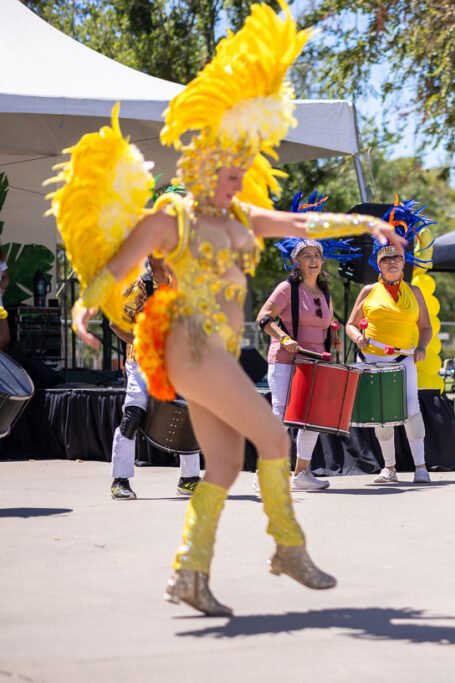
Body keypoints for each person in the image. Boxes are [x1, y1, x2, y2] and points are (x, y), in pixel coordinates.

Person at [54, 2, 401, 617]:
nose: (237, 172)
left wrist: (368, 221)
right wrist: (84, 304)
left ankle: (189, 573)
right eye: (227, 162)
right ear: (201, 161)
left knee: (220, 464)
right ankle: (287, 546)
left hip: (215, 350)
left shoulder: (240, 217)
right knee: (269, 435)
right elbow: (117, 263)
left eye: (242, 163)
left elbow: (300, 220)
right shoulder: (176, 216)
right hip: (185, 343)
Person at [256, 191, 355, 492]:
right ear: (295, 262)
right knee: (281, 415)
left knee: (311, 418)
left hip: (315, 362)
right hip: (286, 362)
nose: (312, 260)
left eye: (316, 256)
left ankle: (301, 474)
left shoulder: (324, 291)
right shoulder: (286, 288)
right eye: (306, 256)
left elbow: (324, 322)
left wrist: (333, 334)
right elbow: (264, 318)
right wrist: (284, 338)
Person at [345, 198, 434, 485]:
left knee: (411, 410)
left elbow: (426, 327)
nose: (392, 262)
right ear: (378, 265)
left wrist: (421, 348)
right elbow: (349, 323)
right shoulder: (369, 290)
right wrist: (358, 336)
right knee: (382, 415)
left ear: (403, 261)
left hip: (404, 359)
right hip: (372, 359)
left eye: (396, 257)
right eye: (386, 259)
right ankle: (389, 467)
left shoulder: (415, 292)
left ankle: (421, 466)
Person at [109, 257, 202, 500]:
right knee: (133, 415)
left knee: (188, 414)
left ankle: (189, 479)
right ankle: (120, 480)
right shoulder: (139, 285)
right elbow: (115, 323)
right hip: (141, 363)